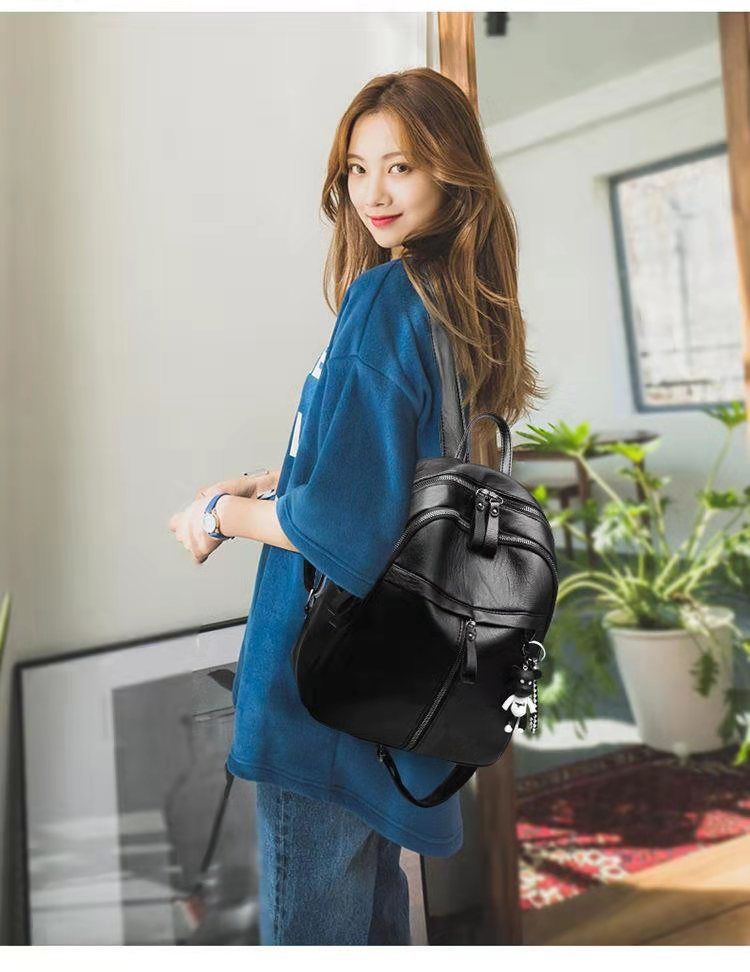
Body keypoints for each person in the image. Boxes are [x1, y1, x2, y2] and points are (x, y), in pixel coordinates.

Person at [168, 67, 546, 946]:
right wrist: (271, 478)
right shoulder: (461, 304)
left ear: (450, 171)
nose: (373, 193)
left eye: (400, 167)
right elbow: (402, 477)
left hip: (328, 691)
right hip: (404, 695)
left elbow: (344, 529)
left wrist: (219, 516)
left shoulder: (386, 297)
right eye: (357, 168)